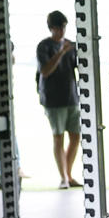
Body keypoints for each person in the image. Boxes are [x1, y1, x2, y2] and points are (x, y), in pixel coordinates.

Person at [35, 11, 80, 188]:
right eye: (59, 27)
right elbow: (45, 71)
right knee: (58, 137)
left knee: (76, 137)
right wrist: (61, 52)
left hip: (71, 97)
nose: (62, 31)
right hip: (53, 100)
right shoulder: (44, 46)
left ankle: (68, 174)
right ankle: (63, 177)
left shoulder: (70, 46)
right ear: (51, 28)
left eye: (64, 27)